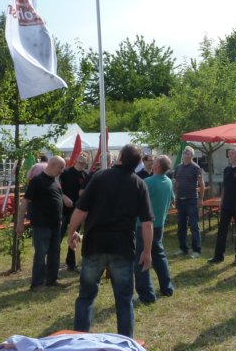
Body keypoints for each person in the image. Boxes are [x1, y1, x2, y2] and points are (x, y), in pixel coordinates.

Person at [69, 143, 154, 338]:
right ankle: (125, 343)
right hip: (122, 247)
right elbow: (147, 223)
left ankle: (78, 341)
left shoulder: (100, 177)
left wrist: (71, 233)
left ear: (120, 157)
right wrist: (147, 251)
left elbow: (80, 210)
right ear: (138, 163)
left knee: (86, 297)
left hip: (95, 244)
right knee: (124, 300)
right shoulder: (139, 183)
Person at [17, 156, 66, 291]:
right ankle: (37, 283)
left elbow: (57, 198)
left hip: (56, 224)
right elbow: (25, 201)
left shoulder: (55, 181)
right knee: (41, 253)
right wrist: (20, 222)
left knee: (55, 252)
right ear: (52, 165)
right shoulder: (37, 181)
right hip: (41, 224)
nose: (62, 170)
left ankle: (52, 279)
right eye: (61, 167)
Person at [134, 155, 175, 303]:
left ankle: (146, 295)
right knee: (159, 255)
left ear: (157, 166)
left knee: (141, 258)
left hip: (143, 226)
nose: (152, 162)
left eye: (154, 161)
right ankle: (167, 288)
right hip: (159, 225)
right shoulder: (168, 182)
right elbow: (172, 200)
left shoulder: (147, 182)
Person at [208, 148, 236, 265]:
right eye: (230, 153)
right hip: (226, 205)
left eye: (232, 153)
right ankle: (218, 256)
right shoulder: (227, 169)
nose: (230, 154)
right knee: (222, 231)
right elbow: (225, 187)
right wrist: (221, 201)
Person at [59, 153, 90, 273]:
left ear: (87, 161)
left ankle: (71, 263)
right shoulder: (66, 173)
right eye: (80, 156)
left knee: (75, 236)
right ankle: (52, 263)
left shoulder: (86, 175)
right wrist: (64, 197)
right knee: (59, 236)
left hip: (78, 211)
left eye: (85, 157)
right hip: (64, 210)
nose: (82, 158)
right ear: (76, 159)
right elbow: (57, 188)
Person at [173, 146, 205, 258]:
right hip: (180, 200)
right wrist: (174, 196)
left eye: (188, 151)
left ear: (192, 155)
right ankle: (183, 249)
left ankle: (196, 250)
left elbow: (201, 184)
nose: (185, 152)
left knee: (194, 226)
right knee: (181, 226)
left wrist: (201, 198)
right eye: (184, 151)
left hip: (192, 200)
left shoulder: (196, 167)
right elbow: (176, 183)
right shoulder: (178, 167)